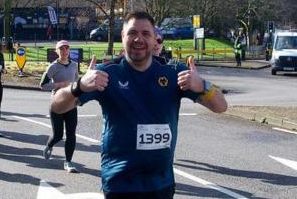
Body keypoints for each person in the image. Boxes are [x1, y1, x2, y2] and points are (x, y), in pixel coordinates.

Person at [50, 11, 227, 198]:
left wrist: (203, 86)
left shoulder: (174, 73)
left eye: (145, 34)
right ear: (123, 37)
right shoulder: (107, 74)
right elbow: (56, 106)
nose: (138, 39)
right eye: (132, 33)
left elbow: (221, 106)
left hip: (161, 184)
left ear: (154, 39)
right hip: (120, 184)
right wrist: (79, 86)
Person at [40, 40, 79, 173]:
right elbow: (43, 85)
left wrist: (78, 96)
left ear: (69, 50)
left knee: (71, 134)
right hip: (57, 104)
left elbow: (76, 83)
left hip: (71, 103)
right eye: (61, 49)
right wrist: (59, 84)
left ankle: (68, 162)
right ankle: (49, 145)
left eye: (66, 49)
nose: (64, 51)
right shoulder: (53, 67)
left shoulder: (74, 65)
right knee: (58, 135)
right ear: (57, 51)